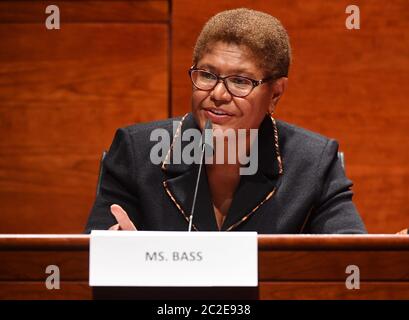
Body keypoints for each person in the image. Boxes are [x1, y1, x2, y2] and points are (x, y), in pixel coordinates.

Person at [85, 8, 367, 234]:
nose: (218, 94)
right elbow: (89, 265)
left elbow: (345, 258)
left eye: (240, 81)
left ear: (275, 93)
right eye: (207, 75)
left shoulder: (313, 163)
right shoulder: (137, 154)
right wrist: (119, 255)